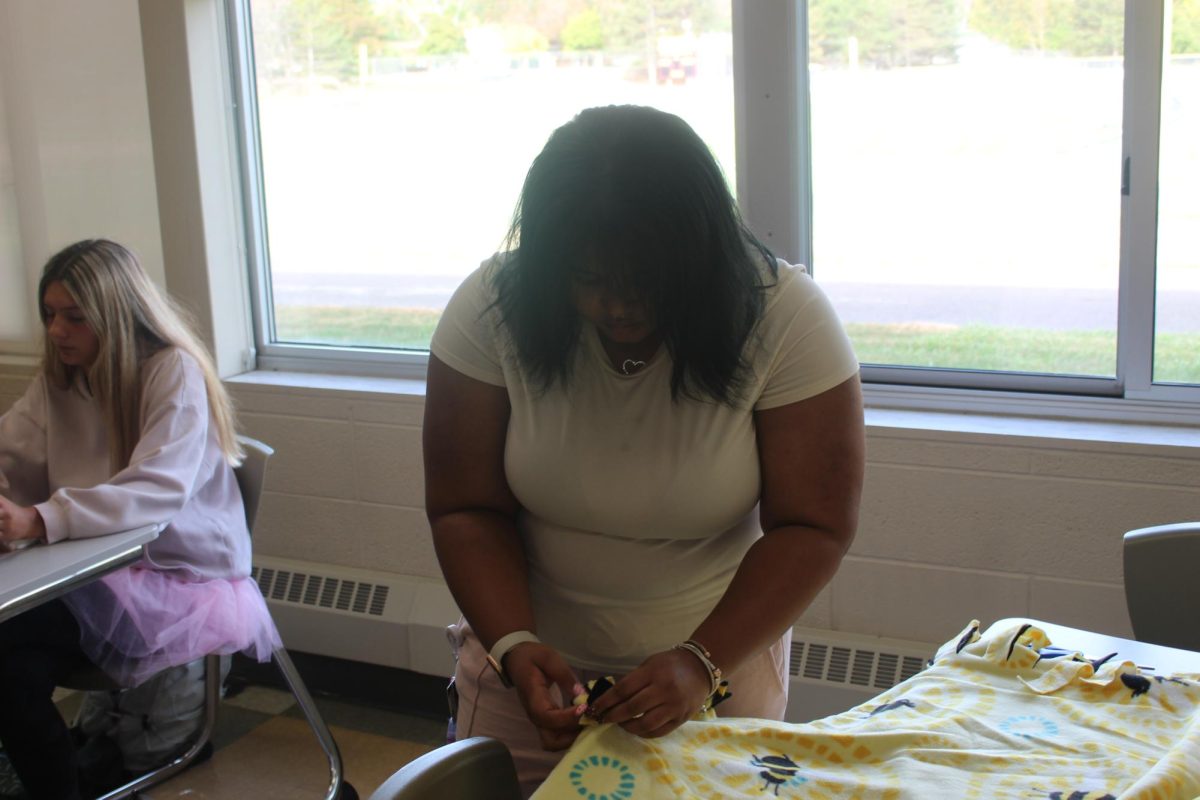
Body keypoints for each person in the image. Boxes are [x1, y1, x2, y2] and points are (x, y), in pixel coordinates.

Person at [423, 104, 865, 796]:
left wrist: (701, 663)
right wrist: (513, 646)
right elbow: (465, 505)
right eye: (589, 279)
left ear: (701, 256)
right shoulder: (493, 307)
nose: (618, 306)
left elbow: (815, 525)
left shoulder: (785, 317)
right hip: (530, 673)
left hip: (716, 671)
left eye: (646, 279)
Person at [0, 238, 280, 800]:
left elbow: (156, 492)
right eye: (50, 314)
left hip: (168, 579)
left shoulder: (171, 370)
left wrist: (37, 519)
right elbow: (12, 455)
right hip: (95, 569)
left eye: (75, 317)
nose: (57, 330)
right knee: (11, 675)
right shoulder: (62, 378)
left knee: (9, 657)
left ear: (116, 312)